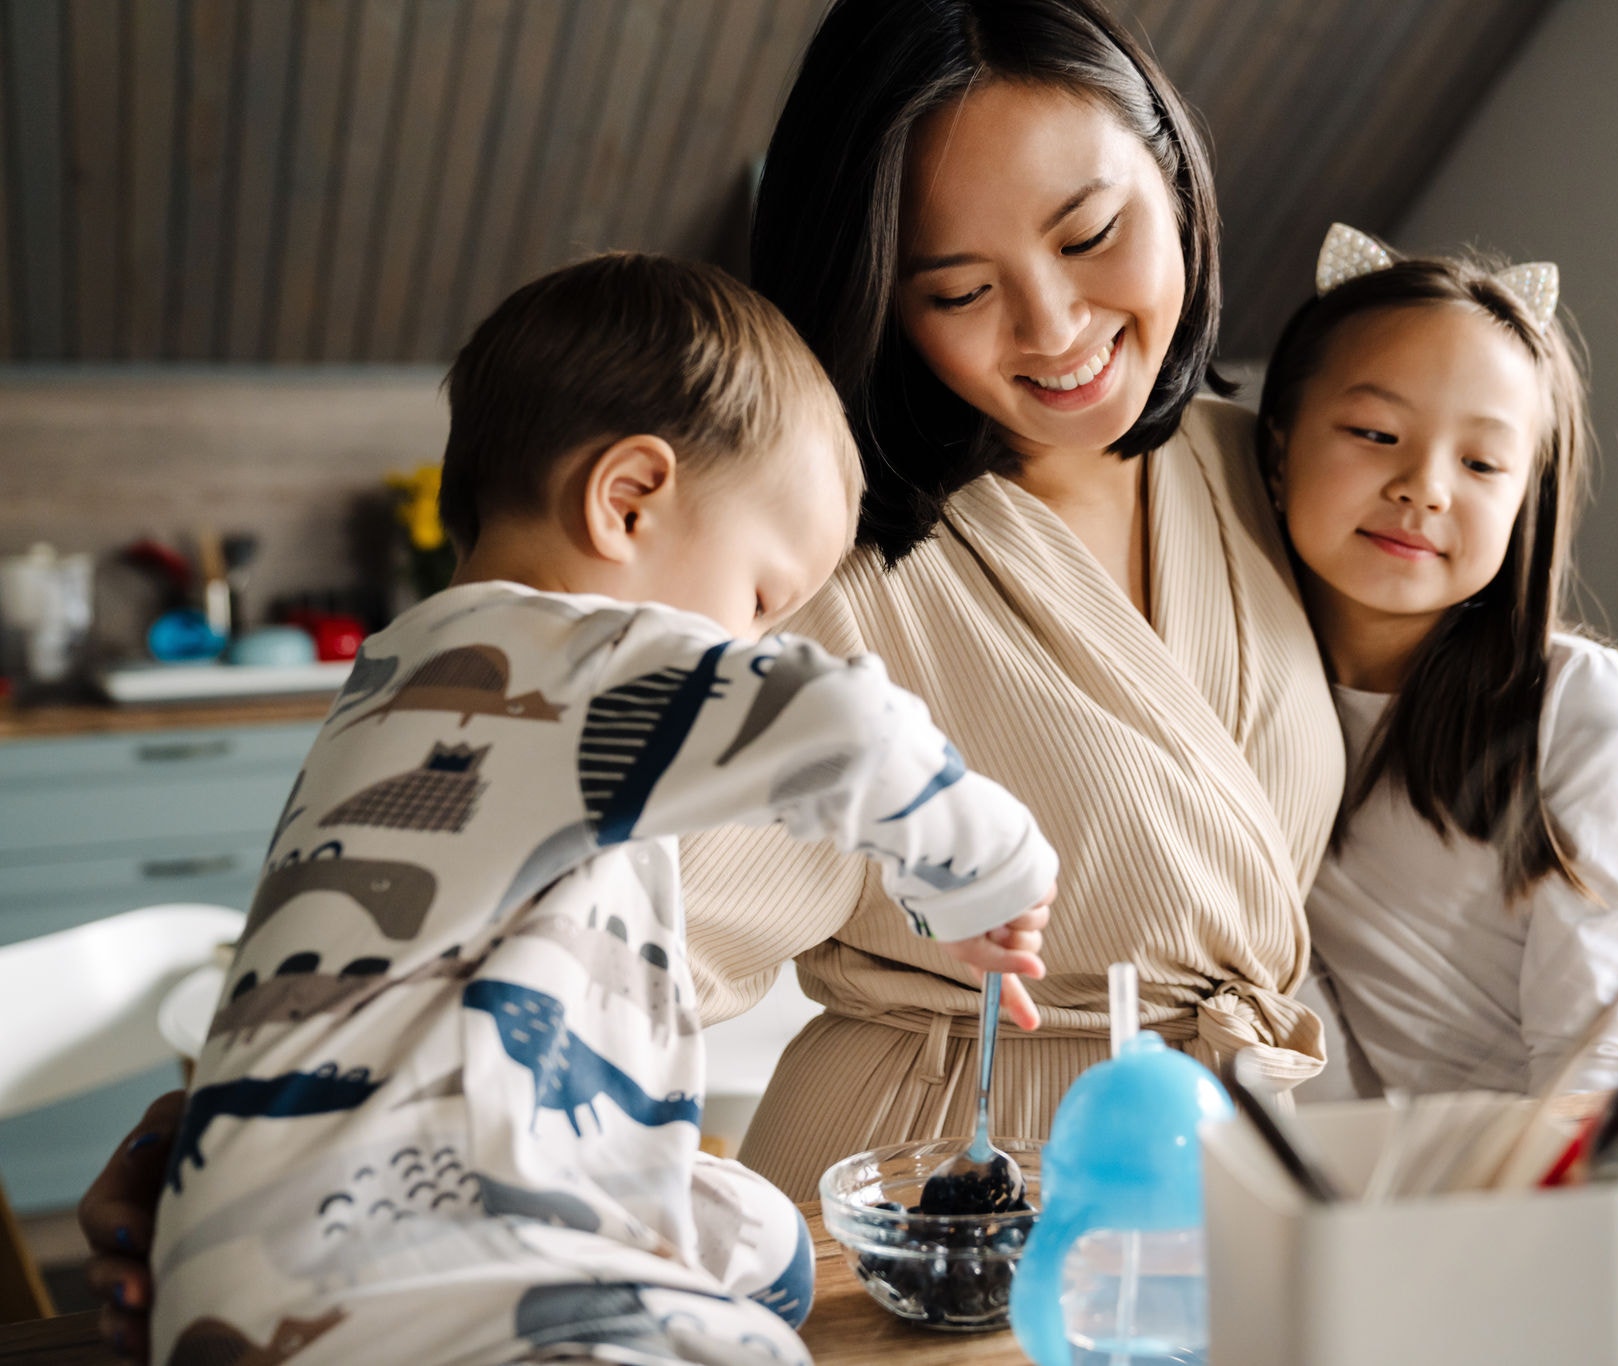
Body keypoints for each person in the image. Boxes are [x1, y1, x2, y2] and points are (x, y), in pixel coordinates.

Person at [80, 4, 1618, 1350]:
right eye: (957, 289)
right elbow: (548, 874)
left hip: (1242, 1185)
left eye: (1091, 234)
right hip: (948, 1220)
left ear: (1179, 184)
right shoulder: (822, 569)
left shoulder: (1269, 462)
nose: (1058, 325)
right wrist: (246, 1126)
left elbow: (1465, 676)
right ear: (876, 291)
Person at [144, 253, 1056, 1366]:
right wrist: (981, 873)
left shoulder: (411, 676)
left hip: (266, 1267)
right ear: (625, 500)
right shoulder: (547, 654)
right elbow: (848, 729)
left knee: (758, 1235)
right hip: (404, 1278)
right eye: (762, 597)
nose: (761, 643)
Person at [1261, 228, 1618, 1095]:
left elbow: (1592, 1061)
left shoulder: (1572, 697)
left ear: (1526, 503)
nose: (1426, 487)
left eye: (1481, 462)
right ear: (1280, 448)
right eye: (1374, 431)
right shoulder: (1237, 693)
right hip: (1484, 1170)